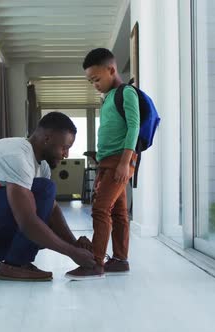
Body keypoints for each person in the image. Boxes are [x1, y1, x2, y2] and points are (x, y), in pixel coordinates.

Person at [0, 112, 95, 281]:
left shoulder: (41, 164)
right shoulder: (17, 157)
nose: (66, 154)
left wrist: (74, 244)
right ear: (47, 139)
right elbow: (27, 221)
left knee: (45, 222)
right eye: (64, 147)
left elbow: (51, 211)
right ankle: (15, 264)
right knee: (41, 209)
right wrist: (72, 253)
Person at [66, 48, 140, 280]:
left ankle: (95, 263)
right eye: (91, 81)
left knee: (100, 209)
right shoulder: (107, 98)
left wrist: (125, 163)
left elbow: (134, 127)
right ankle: (120, 260)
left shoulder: (126, 92)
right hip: (108, 162)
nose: (94, 84)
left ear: (111, 69)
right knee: (118, 212)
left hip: (120, 161)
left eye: (97, 79)